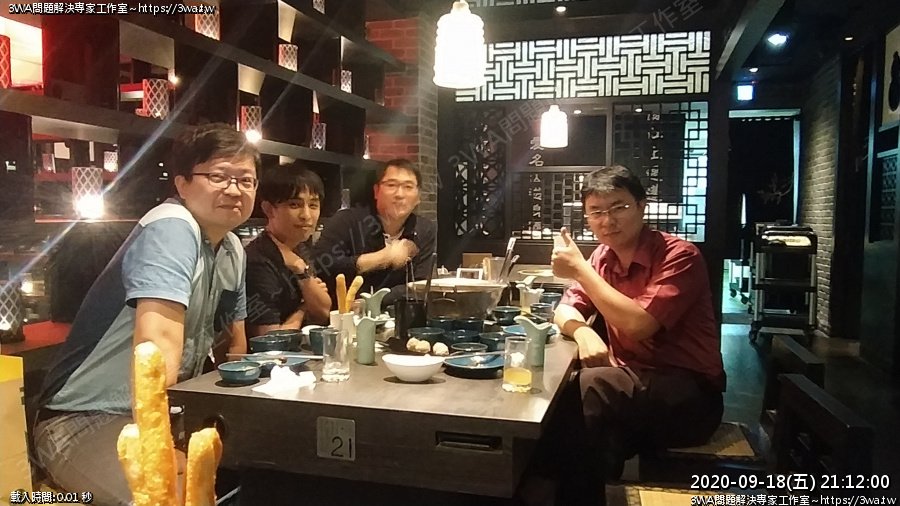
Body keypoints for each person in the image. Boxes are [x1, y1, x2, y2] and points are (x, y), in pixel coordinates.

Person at [34, 123, 260, 505]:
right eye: (219, 176)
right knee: (167, 497)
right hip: (84, 419)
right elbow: (156, 352)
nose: (235, 189)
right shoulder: (172, 228)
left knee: (268, 471)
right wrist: (164, 450)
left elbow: (234, 349)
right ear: (182, 184)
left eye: (246, 180)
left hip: (170, 414)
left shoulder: (232, 249)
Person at [551, 165, 725, 479]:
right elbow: (564, 308)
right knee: (595, 433)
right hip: (633, 387)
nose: (607, 220)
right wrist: (583, 332)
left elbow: (640, 324)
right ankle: (585, 493)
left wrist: (580, 270)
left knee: (585, 389)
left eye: (619, 207)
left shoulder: (680, 256)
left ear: (642, 206)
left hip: (690, 395)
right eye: (596, 212)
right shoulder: (602, 258)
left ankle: (540, 487)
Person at [313, 158, 436, 308]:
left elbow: (419, 285)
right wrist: (382, 257)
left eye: (408, 187)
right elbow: (320, 265)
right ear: (376, 191)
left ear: (418, 197)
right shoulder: (347, 221)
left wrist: (370, 302)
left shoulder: (424, 229)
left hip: (398, 315)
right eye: (391, 185)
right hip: (344, 315)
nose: (399, 194)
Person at [244, 164, 331, 336]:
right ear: (269, 209)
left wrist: (302, 273)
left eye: (313, 205)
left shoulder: (299, 247)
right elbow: (269, 340)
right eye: (294, 205)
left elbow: (323, 312)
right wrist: (303, 308)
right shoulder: (257, 261)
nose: (306, 215)